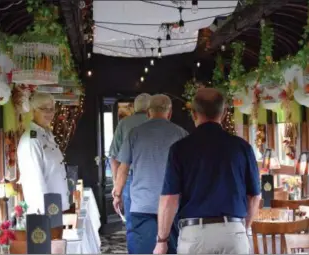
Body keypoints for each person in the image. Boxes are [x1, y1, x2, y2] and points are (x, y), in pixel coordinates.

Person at [153, 88, 261, 254]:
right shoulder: (242, 148)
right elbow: (254, 196)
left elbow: (169, 200)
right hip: (233, 232)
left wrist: (162, 240)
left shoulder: (179, 149)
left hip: (195, 234)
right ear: (224, 113)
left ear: (194, 114)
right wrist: (242, 227)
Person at [113, 94, 188, 254]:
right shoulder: (181, 134)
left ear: (148, 112)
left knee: (143, 250)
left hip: (142, 204)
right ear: (170, 112)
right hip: (172, 206)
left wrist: (117, 194)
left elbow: (123, 168)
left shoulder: (134, 133)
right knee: (172, 250)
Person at [109, 93, 151, 254]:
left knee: (132, 225)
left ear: (135, 107)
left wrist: (116, 184)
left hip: (129, 179)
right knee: (158, 221)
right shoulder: (159, 124)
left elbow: (114, 157)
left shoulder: (124, 124)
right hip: (155, 180)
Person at [17, 92, 70, 214]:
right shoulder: (31, 140)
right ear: (33, 110)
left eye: (52, 109)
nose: (50, 113)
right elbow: (35, 182)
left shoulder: (46, 135)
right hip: (44, 212)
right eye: (44, 109)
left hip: (55, 207)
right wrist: (46, 214)